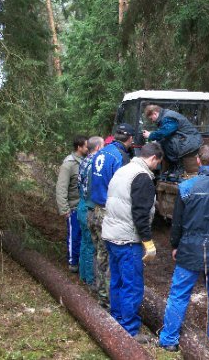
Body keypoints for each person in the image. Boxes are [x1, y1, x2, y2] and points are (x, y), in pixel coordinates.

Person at [158, 145, 209, 352]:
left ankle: (169, 340)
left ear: (198, 161)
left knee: (178, 294)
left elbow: (177, 223)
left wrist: (175, 245)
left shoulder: (186, 188)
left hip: (190, 247)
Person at [101, 142, 163, 342]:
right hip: (127, 239)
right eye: (158, 163)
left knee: (117, 280)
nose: (157, 167)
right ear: (153, 158)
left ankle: (117, 318)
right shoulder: (142, 177)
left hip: (112, 234)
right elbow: (140, 214)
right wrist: (147, 241)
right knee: (132, 284)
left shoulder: (124, 170)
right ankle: (129, 330)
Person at [89, 123, 135, 307]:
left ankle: (99, 290)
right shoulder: (120, 157)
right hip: (109, 213)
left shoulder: (101, 152)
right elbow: (123, 187)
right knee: (111, 257)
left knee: (99, 253)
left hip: (95, 209)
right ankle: (108, 301)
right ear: (130, 139)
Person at [56, 135, 88, 273]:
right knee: (74, 236)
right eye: (86, 146)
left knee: (82, 236)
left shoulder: (86, 161)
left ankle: (81, 261)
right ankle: (72, 262)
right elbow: (61, 187)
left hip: (83, 205)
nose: (88, 148)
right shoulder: (68, 164)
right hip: (73, 207)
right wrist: (64, 209)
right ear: (79, 147)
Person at [142, 105, 203, 178]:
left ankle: (179, 169)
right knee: (162, 141)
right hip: (186, 140)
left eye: (151, 118)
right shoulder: (165, 117)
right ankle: (172, 168)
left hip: (193, 141)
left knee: (167, 141)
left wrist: (150, 135)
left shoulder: (168, 117)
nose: (152, 121)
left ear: (155, 113)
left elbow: (165, 132)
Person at [77, 136, 104, 286]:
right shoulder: (96, 163)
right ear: (99, 148)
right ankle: (90, 279)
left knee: (84, 242)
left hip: (81, 204)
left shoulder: (84, 160)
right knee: (90, 245)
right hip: (88, 207)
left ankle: (83, 274)